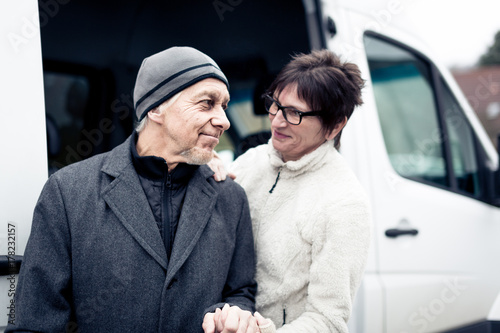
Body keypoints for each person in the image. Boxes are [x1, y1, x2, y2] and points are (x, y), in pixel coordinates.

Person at [7, 47, 258, 333]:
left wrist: (231, 314)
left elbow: (241, 292)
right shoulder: (67, 192)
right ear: (155, 108)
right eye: (207, 103)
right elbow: (34, 324)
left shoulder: (231, 197)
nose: (223, 121)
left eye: (224, 106)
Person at [210, 49, 371, 332]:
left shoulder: (345, 203)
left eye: (295, 113)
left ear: (335, 125)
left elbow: (328, 320)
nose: (277, 121)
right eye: (276, 105)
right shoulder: (250, 161)